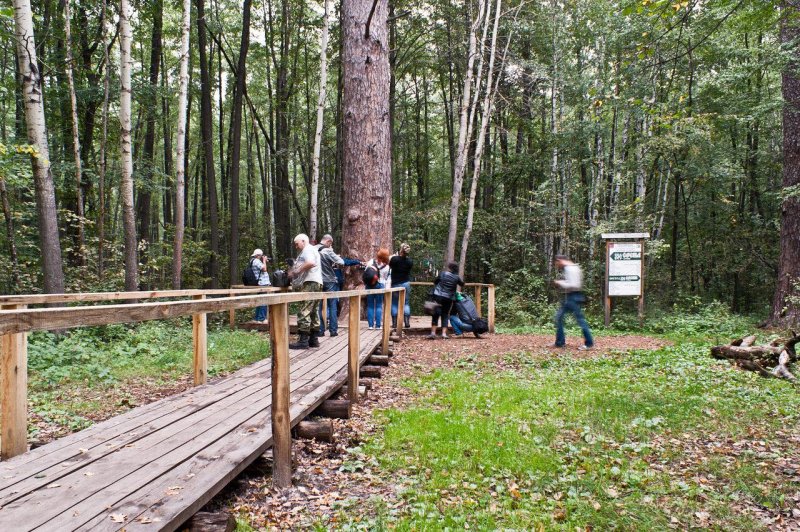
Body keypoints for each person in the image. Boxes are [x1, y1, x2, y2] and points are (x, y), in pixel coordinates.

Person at [316, 235, 361, 337]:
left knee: (318, 306)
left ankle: (320, 330)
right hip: (329, 281)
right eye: (330, 244)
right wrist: (356, 261)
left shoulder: (313, 249)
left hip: (317, 280)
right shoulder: (327, 250)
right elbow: (341, 262)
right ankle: (333, 330)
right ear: (328, 242)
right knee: (332, 305)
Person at [288, 234, 323, 349]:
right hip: (317, 282)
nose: (296, 246)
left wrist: (297, 271)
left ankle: (303, 341)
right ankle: (313, 339)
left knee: (304, 310)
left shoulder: (307, 249)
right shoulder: (311, 250)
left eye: (297, 244)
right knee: (313, 310)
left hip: (310, 282)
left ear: (303, 241)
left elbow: (310, 263)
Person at [553, 255, 594, 350]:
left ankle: (589, 343)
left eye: (557, 263)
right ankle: (559, 342)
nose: (557, 265)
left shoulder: (570, 269)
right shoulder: (575, 267)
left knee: (580, 320)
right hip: (572, 296)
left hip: (573, 296)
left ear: (560, 260)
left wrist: (560, 283)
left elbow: (574, 284)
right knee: (559, 317)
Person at [427, 261, 464, 339]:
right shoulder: (456, 277)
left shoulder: (443, 273)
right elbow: (462, 284)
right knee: (445, 314)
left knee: (436, 313)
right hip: (448, 298)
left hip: (438, 296)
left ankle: (433, 333)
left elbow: (435, 281)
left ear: (450, 268)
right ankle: (444, 334)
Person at [365, 249, 391, 329]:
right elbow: (387, 279)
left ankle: (370, 325)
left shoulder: (371, 262)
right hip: (381, 285)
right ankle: (378, 325)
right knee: (379, 305)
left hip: (370, 285)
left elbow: (367, 273)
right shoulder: (387, 267)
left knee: (370, 305)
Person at [389, 243, 413, 330]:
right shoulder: (410, 261)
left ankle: (395, 323)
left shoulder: (394, 259)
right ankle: (406, 322)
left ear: (401, 250)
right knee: (406, 303)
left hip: (395, 284)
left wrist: (396, 256)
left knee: (394, 303)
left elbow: (390, 266)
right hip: (406, 283)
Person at [250, 249, 271, 323]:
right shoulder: (256, 261)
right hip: (262, 283)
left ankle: (257, 318)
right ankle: (261, 319)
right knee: (263, 300)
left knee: (260, 300)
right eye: (261, 255)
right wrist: (264, 261)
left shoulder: (253, 261)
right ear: (258, 255)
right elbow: (264, 269)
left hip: (260, 283)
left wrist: (264, 261)